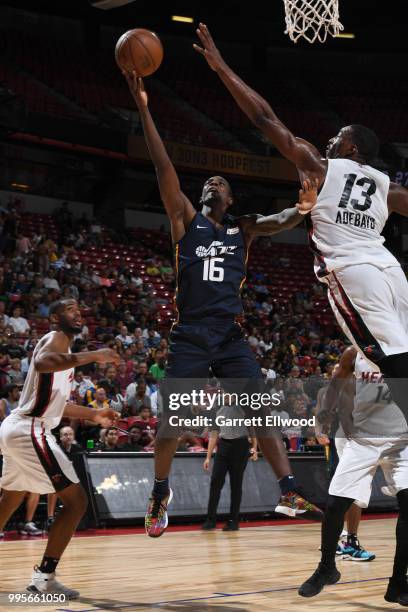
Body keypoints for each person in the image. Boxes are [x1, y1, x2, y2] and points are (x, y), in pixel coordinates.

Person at [123, 70, 322, 539]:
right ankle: (159, 490)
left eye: (220, 181)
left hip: (228, 334)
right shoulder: (185, 220)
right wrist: (144, 107)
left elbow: (282, 218)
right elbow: (162, 166)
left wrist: (306, 206)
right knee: (175, 421)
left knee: (259, 408)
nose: (212, 182)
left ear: (230, 198)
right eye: (207, 181)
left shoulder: (242, 228)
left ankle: (288, 488)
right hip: (191, 332)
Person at [194, 24, 408, 427]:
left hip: (354, 271)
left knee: (391, 359)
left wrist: (222, 68)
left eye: (336, 137)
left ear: (352, 148)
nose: (329, 141)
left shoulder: (319, 166)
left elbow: (263, 117)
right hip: (392, 270)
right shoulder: (389, 188)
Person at [0, 298, 119, 598]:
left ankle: (44, 578)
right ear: (55, 318)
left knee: (10, 498)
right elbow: (41, 362)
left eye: (79, 309)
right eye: (69, 310)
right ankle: (44, 579)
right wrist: (93, 355)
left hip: (19, 428)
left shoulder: (63, 352)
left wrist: (93, 414)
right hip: (30, 429)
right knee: (77, 502)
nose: (77, 313)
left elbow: (58, 405)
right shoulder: (55, 340)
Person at [299, 347, 408, 604]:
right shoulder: (354, 352)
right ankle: (327, 568)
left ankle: (398, 584)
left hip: (402, 441)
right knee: (335, 504)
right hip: (362, 440)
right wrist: (323, 416)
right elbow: (333, 388)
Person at [202, 402, 258, 532]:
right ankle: (210, 520)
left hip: (241, 446)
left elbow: (252, 428)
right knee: (215, 481)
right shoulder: (217, 406)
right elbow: (214, 434)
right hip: (223, 446)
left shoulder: (243, 404)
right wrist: (208, 457)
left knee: (236, 484)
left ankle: (233, 521)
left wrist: (254, 448)